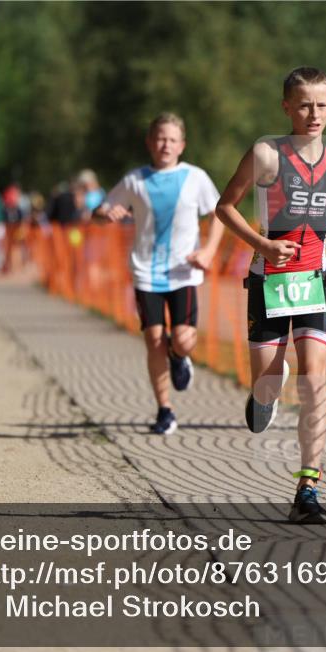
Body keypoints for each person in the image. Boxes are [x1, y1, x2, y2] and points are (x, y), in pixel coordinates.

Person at [215, 67, 326, 524]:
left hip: (315, 280)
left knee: (314, 381)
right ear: (286, 106)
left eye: (322, 104)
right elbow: (225, 206)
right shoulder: (266, 154)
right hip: (269, 277)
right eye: (304, 104)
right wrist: (263, 244)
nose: (314, 113)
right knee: (268, 382)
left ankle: (308, 486)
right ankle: (266, 391)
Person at [93, 112, 225, 435]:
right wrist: (104, 214)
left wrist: (208, 251)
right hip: (147, 272)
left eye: (172, 139)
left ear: (182, 145)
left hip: (184, 271)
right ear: (150, 143)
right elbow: (98, 212)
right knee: (153, 339)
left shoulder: (196, 177)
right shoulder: (135, 180)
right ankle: (164, 410)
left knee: (182, 339)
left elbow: (221, 214)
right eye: (160, 138)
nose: (165, 144)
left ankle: (179, 356)